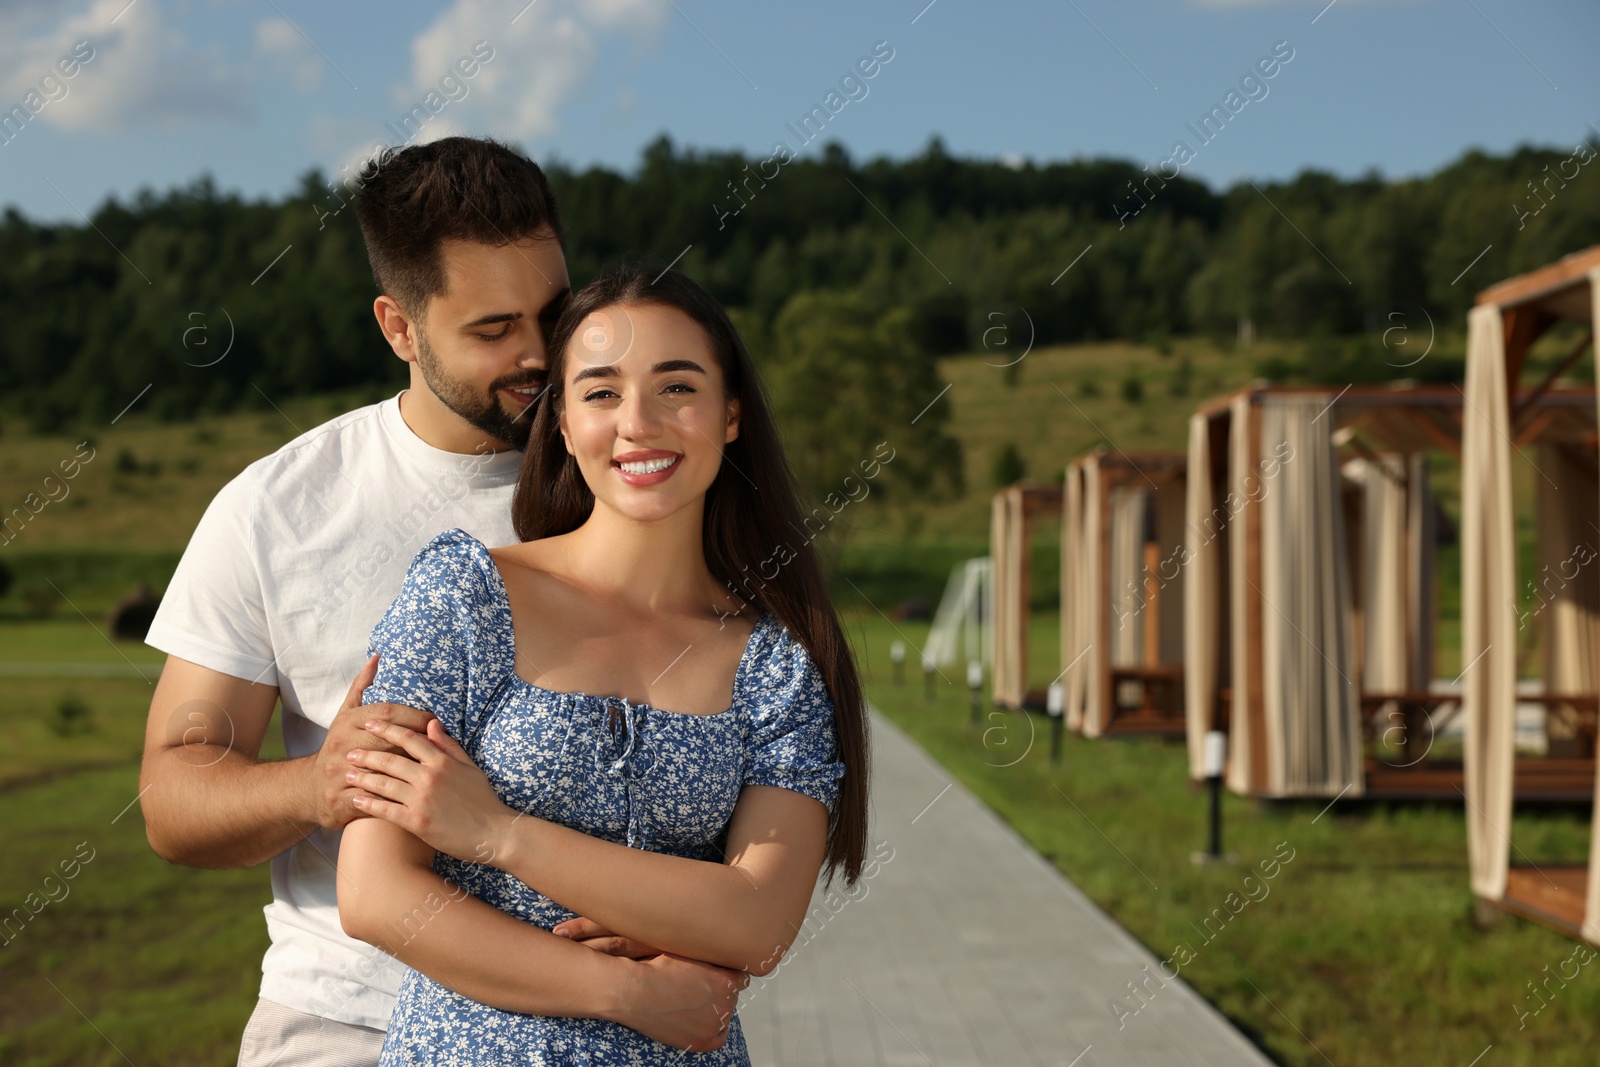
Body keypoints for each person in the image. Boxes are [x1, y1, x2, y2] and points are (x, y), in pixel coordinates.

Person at [138, 138, 741, 1067]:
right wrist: (323, 781)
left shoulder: (639, 474)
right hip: (344, 1017)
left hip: (619, 1027)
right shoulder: (277, 507)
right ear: (400, 327)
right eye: (494, 329)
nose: (539, 352)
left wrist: (705, 932)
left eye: (552, 310)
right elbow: (171, 793)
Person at [336, 264, 872, 1064]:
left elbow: (757, 922)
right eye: (601, 392)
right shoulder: (463, 596)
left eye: (677, 388)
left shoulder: (778, 663)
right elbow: (375, 892)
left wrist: (500, 833)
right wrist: (631, 991)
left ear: (729, 416)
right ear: (559, 420)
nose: (639, 423)